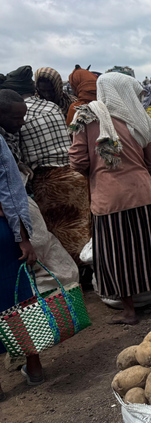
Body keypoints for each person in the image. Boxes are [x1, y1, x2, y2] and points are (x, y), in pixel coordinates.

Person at [69, 73, 151, 325]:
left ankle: (130, 311)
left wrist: (99, 171)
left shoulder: (87, 117)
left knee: (117, 254)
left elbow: (78, 160)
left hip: (108, 200)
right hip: (145, 194)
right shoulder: (140, 119)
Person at [0, 66, 90, 262]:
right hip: (75, 174)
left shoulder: (14, 115)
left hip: (48, 181)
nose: (21, 122)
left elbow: (13, 165)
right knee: (81, 225)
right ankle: (87, 265)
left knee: (57, 230)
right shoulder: (53, 106)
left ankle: (72, 272)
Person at [0, 90, 40, 391]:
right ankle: (35, 366)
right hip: (3, 234)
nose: (21, 122)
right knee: (20, 300)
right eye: (15, 117)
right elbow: (12, 195)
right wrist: (23, 238)